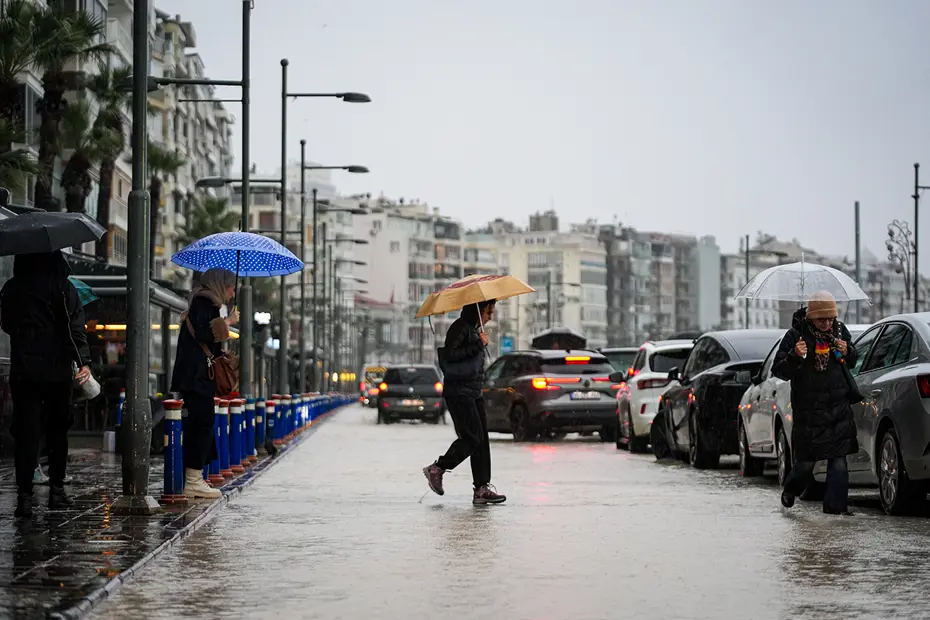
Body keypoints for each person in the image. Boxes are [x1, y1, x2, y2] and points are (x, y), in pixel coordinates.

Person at [0, 251, 91, 518]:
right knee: (57, 430)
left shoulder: (13, 288)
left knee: (26, 432)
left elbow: (6, 324)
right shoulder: (63, 288)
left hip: (24, 370)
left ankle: (25, 497)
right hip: (56, 370)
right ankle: (56, 491)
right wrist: (83, 360)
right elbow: (76, 327)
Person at [773, 290, 859, 515]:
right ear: (811, 317)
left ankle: (835, 511)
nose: (827, 323)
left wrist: (847, 350)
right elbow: (779, 370)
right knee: (805, 463)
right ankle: (790, 490)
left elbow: (853, 360)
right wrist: (794, 354)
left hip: (838, 408)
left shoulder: (839, 331)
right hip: (809, 411)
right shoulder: (796, 336)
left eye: (830, 318)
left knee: (838, 462)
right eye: (822, 319)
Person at [423, 300, 506, 505]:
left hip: (474, 392)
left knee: (482, 440)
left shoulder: (473, 331)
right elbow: (451, 355)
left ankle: (481, 488)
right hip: (459, 393)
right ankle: (437, 468)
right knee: (472, 438)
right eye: (489, 311)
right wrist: (478, 344)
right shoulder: (459, 329)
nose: (490, 316)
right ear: (478, 311)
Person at [171, 268, 239, 500]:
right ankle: (193, 480)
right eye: (231, 288)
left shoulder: (207, 302)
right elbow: (204, 333)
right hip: (196, 376)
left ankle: (196, 477)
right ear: (221, 284)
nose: (232, 294)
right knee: (201, 424)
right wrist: (227, 321)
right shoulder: (204, 301)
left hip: (197, 376)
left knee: (204, 422)